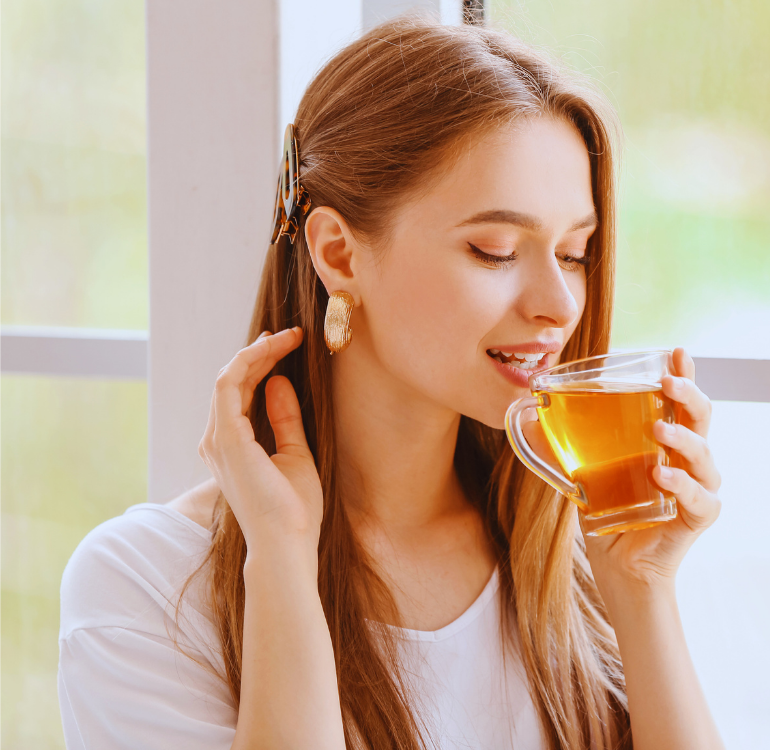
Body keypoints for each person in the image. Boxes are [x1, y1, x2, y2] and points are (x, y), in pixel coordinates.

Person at [57, 15, 723, 750]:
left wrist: (641, 589)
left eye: (574, 253)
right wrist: (281, 563)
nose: (560, 306)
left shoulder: (572, 566)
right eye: (494, 250)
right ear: (339, 254)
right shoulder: (144, 588)